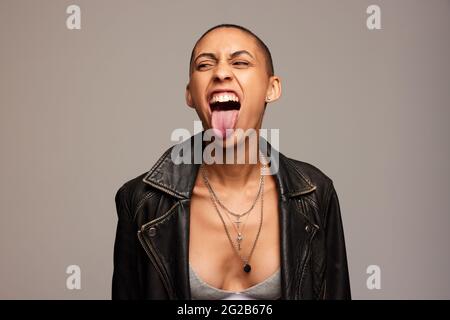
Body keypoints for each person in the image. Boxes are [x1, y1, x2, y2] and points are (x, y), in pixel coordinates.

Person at [112, 24, 351, 300]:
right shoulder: (142, 202)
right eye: (204, 65)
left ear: (271, 88)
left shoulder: (315, 193)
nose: (221, 73)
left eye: (240, 62)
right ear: (190, 94)